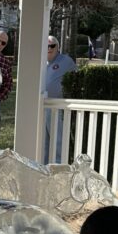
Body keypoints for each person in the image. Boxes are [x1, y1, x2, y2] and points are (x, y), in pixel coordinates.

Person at [43, 35, 76, 163]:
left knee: (57, 140)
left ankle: (59, 165)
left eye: (52, 46)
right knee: (43, 141)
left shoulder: (65, 61)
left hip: (57, 106)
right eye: (46, 46)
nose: (49, 48)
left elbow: (76, 78)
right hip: (41, 106)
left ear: (58, 47)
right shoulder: (40, 61)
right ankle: (43, 166)